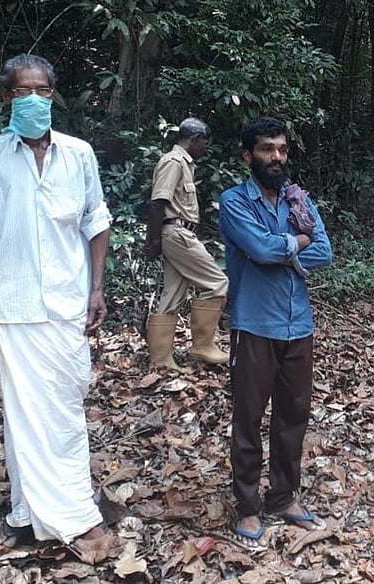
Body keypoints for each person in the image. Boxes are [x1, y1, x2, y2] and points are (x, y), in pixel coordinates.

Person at [0, 54, 114, 560]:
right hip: (13, 303)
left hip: (68, 303)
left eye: (43, 91)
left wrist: (96, 289)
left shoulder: (79, 154)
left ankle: (32, 514)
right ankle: (69, 517)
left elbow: (96, 220)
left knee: (64, 412)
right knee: (23, 417)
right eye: (23, 91)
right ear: (6, 98)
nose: (34, 100)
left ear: (54, 95)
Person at [219, 117, 333, 550]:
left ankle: (283, 497)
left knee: (293, 417)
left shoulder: (298, 200)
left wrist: (283, 243)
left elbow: (325, 251)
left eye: (282, 150)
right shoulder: (235, 201)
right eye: (267, 149)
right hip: (255, 323)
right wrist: (294, 243)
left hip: (297, 323)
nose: (276, 157)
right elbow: (262, 250)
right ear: (248, 155)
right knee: (248, 418)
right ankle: (248, 506)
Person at [145, 118, 229, 368]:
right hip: (177, 233)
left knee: (173, 294)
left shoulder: (183, 163)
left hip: (175, 232)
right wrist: (153, 241)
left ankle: (161, 359)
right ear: (194, 139)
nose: (205, 148)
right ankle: (203, 345)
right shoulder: (174, 162)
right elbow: (157, 202)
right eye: (204, 142)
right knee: (217, 282)